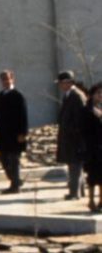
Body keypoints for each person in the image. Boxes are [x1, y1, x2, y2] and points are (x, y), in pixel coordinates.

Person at [0, 70, 29, 194]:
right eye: (3, 79)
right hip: (2, 134)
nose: (5, 82)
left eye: (8, 79)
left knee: (13, 160)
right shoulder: (0, 95)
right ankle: (15, 180)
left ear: (12, 79)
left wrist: (23, 133)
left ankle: (15, 186)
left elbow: (23, 115)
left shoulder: (18, 95)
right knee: (3, 158)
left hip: (15, 134)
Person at [56, 70, 88, 200]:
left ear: (68, 82)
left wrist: (75, 135)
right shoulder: (69, 95)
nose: (60, 86)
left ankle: (74, 193)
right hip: (69, 138)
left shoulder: (76, 96)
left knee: (75, 166)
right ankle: (79, 191)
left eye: (62, 83)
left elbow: (80, 119)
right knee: (73, 165)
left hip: (75, 139)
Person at [83, 83, 102, 212]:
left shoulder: (99, 108)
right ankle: (91, 201)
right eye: (98, 93)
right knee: (92, 177)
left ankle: (101, 200)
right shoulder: (87, 110)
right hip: (92, 149)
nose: (100, 95)